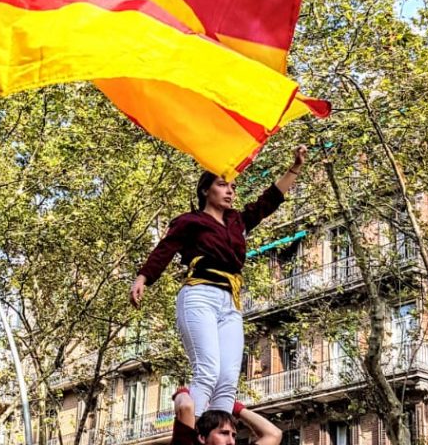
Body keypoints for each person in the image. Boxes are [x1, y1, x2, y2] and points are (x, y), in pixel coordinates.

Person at [131, 146, 306, 416]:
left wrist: (294, 167)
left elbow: (269, 201)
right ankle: (189, 443)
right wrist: (144, 277)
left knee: (227, 381)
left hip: (231, 303)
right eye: (223, 185)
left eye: (233, 187)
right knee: (207, 370)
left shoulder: (238, 221)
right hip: (199, 294)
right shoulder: (191, 221)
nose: (230, 191)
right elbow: (164, 249)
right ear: (205, 191)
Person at [162, 387, 283, 445]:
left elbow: (273, 434)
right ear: (202, 437)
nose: (231, 442)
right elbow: (186, 407)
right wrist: (182, 392)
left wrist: (237, 409)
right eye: (224, 433)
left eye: (233, 435)